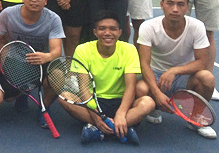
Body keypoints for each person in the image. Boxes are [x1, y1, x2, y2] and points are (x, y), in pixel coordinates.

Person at [135, 0, 217, 139]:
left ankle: (195, 118)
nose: (175, 9)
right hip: (156, 75)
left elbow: (202, 62)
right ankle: (153, 108)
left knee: (207, 78)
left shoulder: (197, 26)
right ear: (162, 5)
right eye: (170, 3)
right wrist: (157, 93)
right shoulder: (148, 27)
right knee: (140, 89)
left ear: (187, 7)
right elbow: (144, 63)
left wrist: (175, 71)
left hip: (183, 77)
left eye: (180, 4)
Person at [57, 14, 155, 145]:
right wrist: (96, 115)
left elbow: (130, 86)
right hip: (93, 101)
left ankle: (98, 130)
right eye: (102, 28)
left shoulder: (129, 50)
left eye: (113, 29)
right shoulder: (82, 50)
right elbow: (83, 88)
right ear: (95, 32)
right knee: (64, 97)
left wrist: (121, 113)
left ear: (120, 32)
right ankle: (120, 129)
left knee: (148, 103)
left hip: (121, 101)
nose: (107, 33)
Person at [0, 0, 65, 123]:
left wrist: (46, 57)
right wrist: (1, 55)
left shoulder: (54, 19)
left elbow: (56, 51)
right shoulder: (8, 14)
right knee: (7, 98)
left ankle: (44, 107)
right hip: (16, 59)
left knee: (58, 76)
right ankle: (22, 92)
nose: (34, 0)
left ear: (45, 0)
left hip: (43, 60)